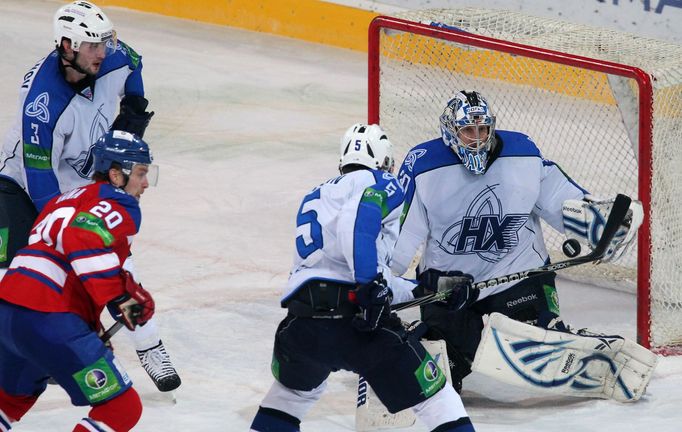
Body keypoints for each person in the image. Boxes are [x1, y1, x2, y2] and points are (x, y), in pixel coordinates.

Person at [391, 90, 641, 393]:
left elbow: (564, 203)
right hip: (450, 291)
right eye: (468, 130)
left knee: (536, 341)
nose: (477, 138)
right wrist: (374, 284)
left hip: (520, 280)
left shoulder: (522, 154)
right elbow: (397, 244)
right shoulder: (424, 167)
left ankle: (589, 351)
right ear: (450, 132)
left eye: (483, 129)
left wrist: (600, 224)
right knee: (436, 373)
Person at [0, 0, 180, 392]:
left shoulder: (112, 57)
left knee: (112, 260)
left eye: (103, 43)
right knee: (13, 271)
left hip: (77, 183)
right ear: (67, 46)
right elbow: (38, 172)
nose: (103, 52)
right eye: (92, 46)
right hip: (19, 185)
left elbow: (136, 62)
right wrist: (62, 231)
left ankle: (150, 345)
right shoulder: (42, 103)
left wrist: (133, 107)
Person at [250, 124, 475, 432]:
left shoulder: (316, 194)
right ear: (385, 160)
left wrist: (432, 289)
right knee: (436, 399)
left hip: (302, 327)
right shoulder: (382, 182)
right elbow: (357, 228)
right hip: (356, 326)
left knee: (290, 397)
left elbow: (356, 269)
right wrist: (370, 286)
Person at [0, 130, 158, 432]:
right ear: (115, 174)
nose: (146, 183)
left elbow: (61, 259)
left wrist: (90, 327)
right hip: (48, 316)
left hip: (8, 309)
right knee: (122, 408)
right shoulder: (119, 203)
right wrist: (122, 299)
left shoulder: (63, 200)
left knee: (9, 402)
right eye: (140, 173)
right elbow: (80, 237)